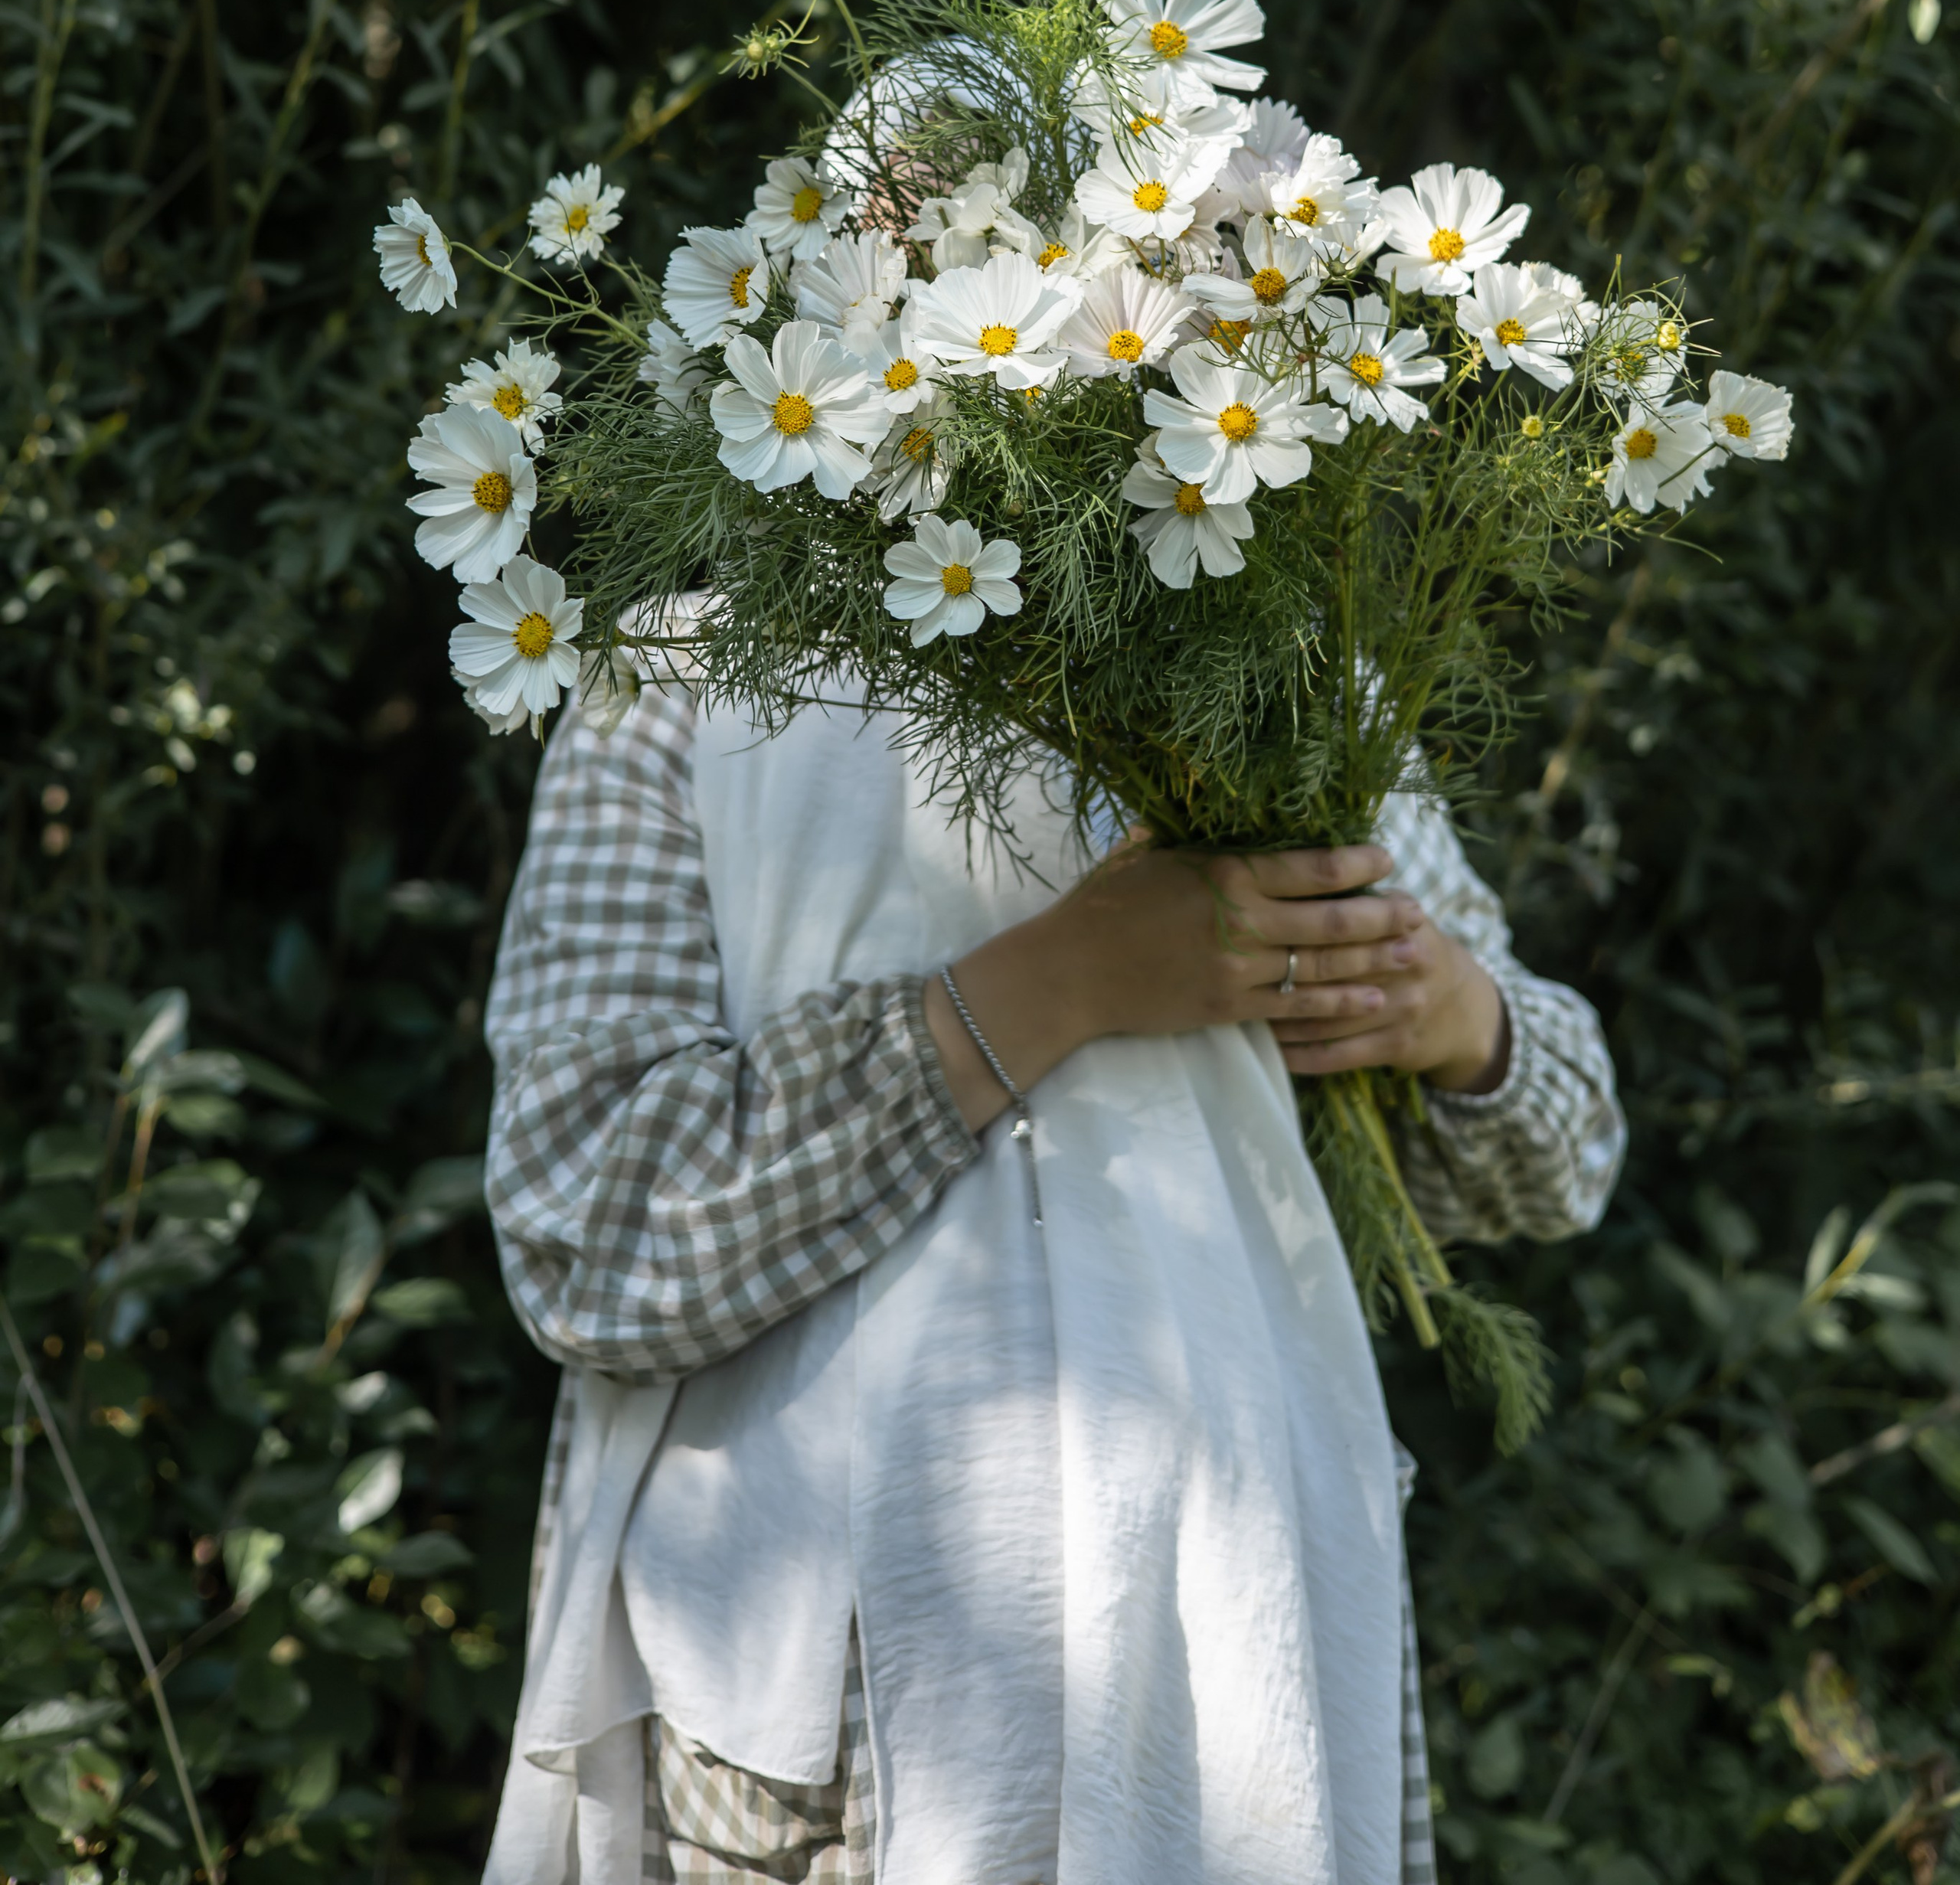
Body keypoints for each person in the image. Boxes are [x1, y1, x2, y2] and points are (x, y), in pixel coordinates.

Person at [479, 644, 1624, 1885]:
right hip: (838, 1721)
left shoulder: (1269, 630)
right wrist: (1059, 982)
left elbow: (1568, 1149)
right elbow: (592, 1237)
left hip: (1231, 1646)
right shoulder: (674, 674)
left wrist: (1444, 1010)